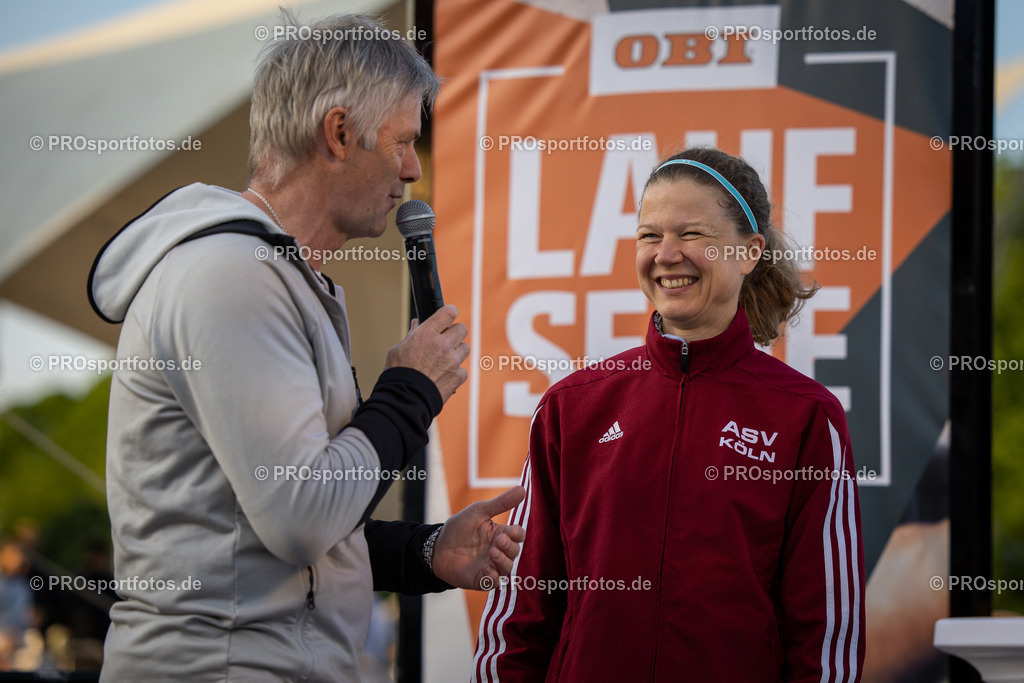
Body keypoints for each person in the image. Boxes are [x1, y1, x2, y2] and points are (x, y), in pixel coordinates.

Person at [87, 12, 525, 681]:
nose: (413, 169)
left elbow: (273, 538)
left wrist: (424, 550)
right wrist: (410, 393)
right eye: (405, 140)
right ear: (340, 132)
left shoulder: (277, 276)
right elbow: (300, 515)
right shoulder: (231, 276)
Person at [473, 147, 866, 682]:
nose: (667, 254)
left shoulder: (805, 416)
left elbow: (826, 630)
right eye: (649, 235)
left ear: (749, 252)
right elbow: (522, 606)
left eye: (694, 234)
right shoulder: (572, 406)